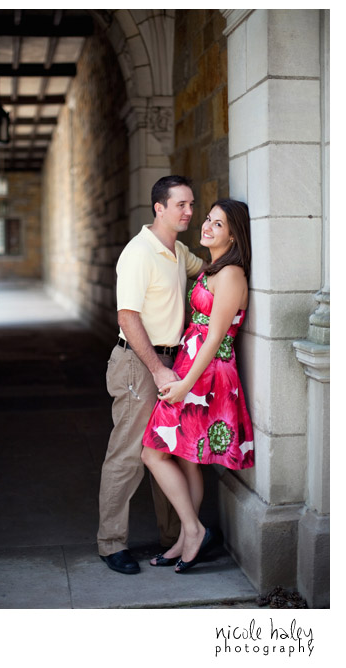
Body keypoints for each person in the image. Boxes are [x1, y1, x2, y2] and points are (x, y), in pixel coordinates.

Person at [98, 175, 205, 575]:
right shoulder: (139, 253)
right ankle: (111, 544)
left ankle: (175, 537)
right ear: (159, 207)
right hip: (138, 364)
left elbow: (209, 268)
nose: (189, 212)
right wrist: (158, 368)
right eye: (181, 205)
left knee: (167, 451)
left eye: (192, 205)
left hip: (174, 362)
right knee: (128, 455)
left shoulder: (177, 250)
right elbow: (128, 316)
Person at [142, 199, 254, 572]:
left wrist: (186, 383)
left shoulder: (232, 273)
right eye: (208, 219)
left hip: (207, 375)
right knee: (188, 457)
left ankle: (193, 530)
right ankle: (186, 537)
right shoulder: (212, 268)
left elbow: (216, 336)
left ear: (234, 234)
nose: (206, 226)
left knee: (153, 452)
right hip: (193, 368)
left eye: (217, 224)